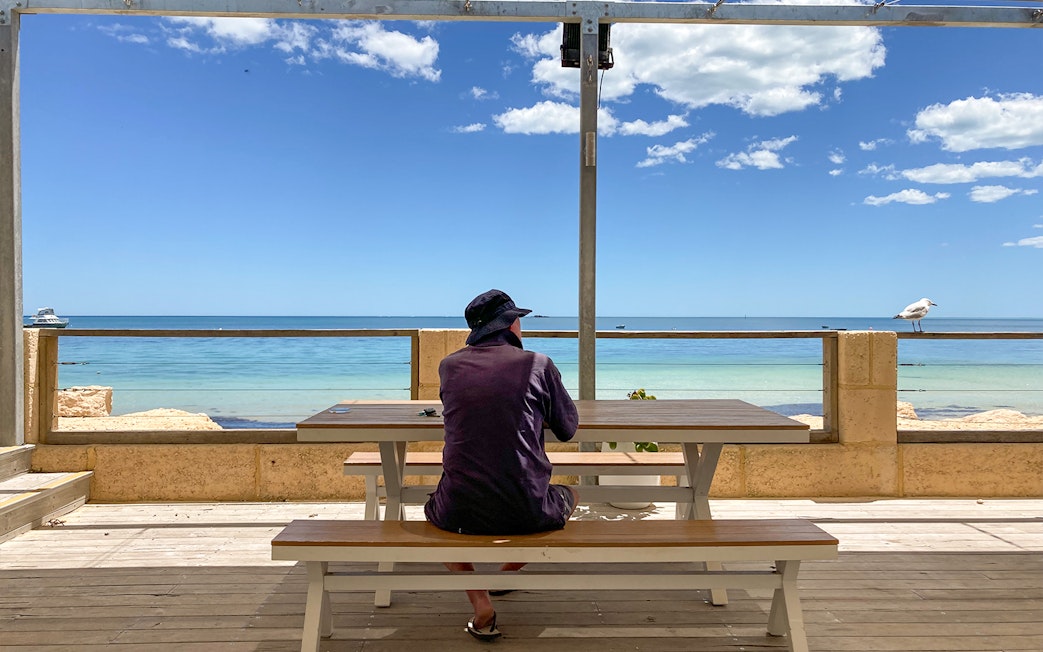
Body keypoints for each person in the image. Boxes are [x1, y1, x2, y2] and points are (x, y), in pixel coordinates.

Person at [424, 289, 579, 642]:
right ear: (511, 324)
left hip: (458, 512)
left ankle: (481, 602)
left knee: (439, 521)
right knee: (572, 493)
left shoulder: (449, 365)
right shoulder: (539, 364)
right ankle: (506, 574)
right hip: (528, 509)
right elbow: (568, 429)